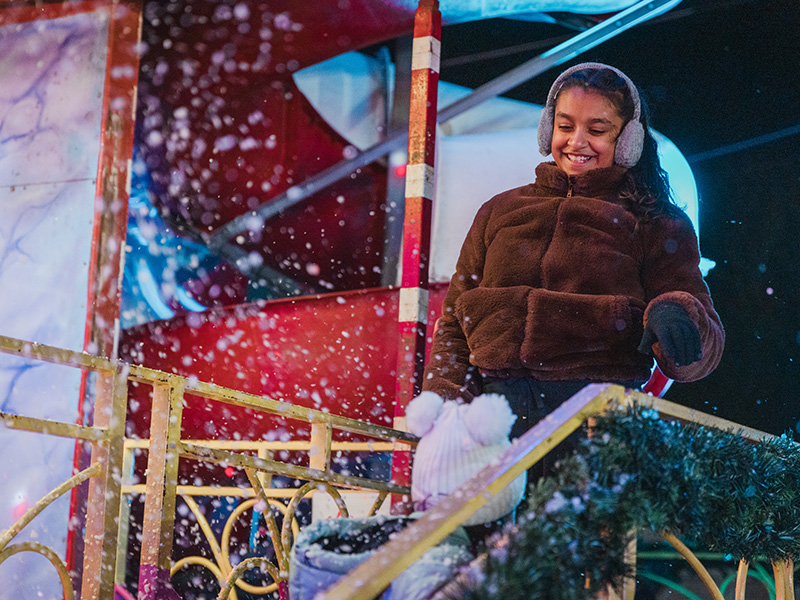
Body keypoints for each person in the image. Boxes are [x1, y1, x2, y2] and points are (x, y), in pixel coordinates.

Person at [421, 62, 725, 443]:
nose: (576, 142)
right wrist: (445, 409)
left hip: (596, 430)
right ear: (548, 128)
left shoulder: (657, 223)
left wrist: (676, 313)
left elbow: (705, 350)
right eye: (565, 126)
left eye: (596, 131)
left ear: (629, 140)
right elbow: (454, 324)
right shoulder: (497, 212)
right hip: (491, 426)